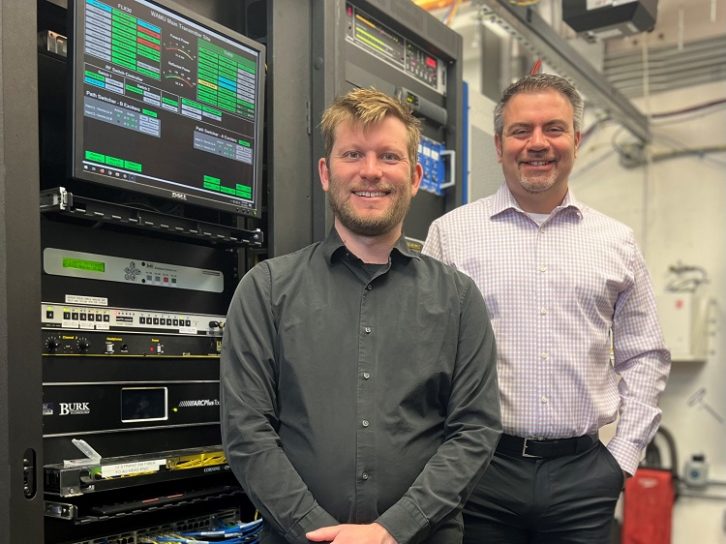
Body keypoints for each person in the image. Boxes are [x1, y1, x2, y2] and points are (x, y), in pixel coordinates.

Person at [221, 88, 501, 544]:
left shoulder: (458, 298)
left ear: (414, 177)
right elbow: (246, 431)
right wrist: (316, 532)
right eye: (353, 154)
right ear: (327, 173)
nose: (370, 171)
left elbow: (474, 431)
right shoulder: (266, 290)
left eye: (388, 156)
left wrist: (394, 529)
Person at [423, 74, 671, 543]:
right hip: (479, 472)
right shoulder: (451, 235)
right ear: (499, 145)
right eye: (521, 131)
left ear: (576, 140)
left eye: (553, 129)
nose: (537, 143)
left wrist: (622, 457)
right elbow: (422, 356)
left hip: (583, 478)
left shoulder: (615, 241)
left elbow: (645, 356)